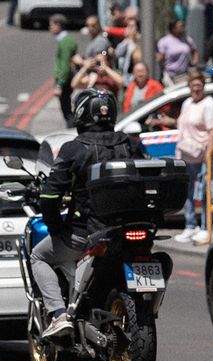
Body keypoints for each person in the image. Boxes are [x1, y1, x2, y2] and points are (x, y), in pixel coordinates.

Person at [31, 89, 147, 338]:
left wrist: (55, 227)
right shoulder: (130, 144)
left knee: (38, 257)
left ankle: (59, 315)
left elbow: (50, 196)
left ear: (82, 113)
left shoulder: (74, 148)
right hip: (130, 228)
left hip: (87, 233)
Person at [164, 71, 213, 244]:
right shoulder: (187, 103)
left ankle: (205, 226)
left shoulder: (209, 104)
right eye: (193, 85)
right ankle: (190, 225)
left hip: (202, 155)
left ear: (203, 87)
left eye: (199, 85)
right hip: (186, 154)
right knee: (187, 191)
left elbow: (212, 131)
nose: (196, 89)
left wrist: (208, 156)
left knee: (205, 192)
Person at [51, 14, 77, 124]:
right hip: (65, 79)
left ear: (58, 25)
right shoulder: (64, 41)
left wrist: (59, 84)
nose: (50, 28)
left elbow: (65, 65)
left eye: (51, 25)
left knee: (67, 112)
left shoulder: (65, 42)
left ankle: (70, 132)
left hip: (65, 81)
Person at [156, 19, 198, 86]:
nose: (183, 28)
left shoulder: (187, 39)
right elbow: (160, 56)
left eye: (183, 26)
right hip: (170, 76)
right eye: (180, 26)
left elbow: (194, 50)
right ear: (173, 28)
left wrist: (194, 61)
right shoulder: (164, 41)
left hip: (184, 75)